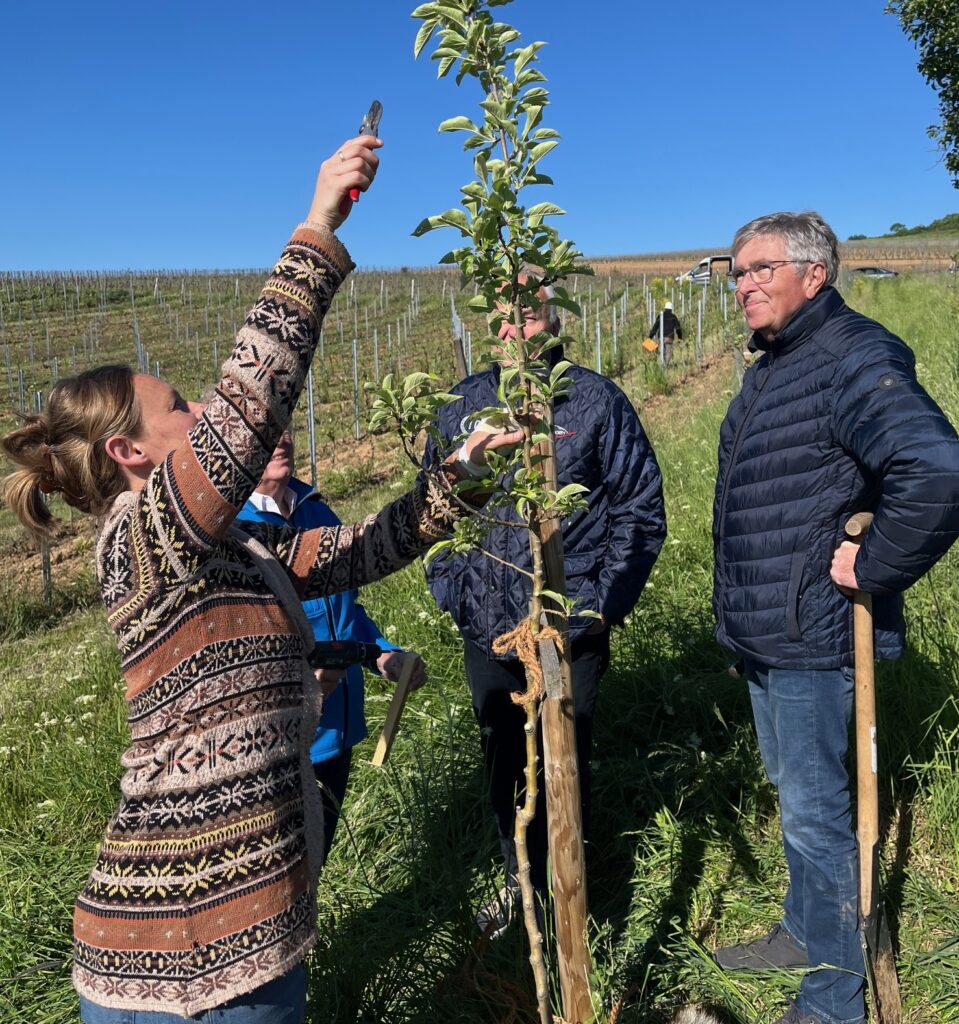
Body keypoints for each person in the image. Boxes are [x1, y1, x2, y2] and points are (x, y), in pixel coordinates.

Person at [0, 136, 521, 1024]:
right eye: (178, 409)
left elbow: (355, 551)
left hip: (225, 935)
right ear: (130, 454)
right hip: (189, 956)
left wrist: (454, 482)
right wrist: (317, 225)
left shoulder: (228, 549)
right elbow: (248, 408)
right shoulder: (144, 537)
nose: (200, 411)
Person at [712, 211, 959, 1024]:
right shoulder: (778, 361)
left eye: (758, 269)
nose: (742, 284)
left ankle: (831, 1000)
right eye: (735, 271)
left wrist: (877, 561)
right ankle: (803, 929)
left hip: (813, 633)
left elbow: (935, 468)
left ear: (813, 274)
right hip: (768, 631)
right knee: (794, 795)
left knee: (819, 816)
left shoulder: (851, 354)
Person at [424, 275, 666, 933]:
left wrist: (598, 610)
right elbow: (432, 511)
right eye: (499, 317)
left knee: (562, 755)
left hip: (565, 629)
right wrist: (458, 597)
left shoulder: (591, 402)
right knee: (503, 755)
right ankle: (518, 884)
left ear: (552, 317)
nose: (512, 330)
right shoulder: (461, 406)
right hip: (488, 630)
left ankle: (569, 889)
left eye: (525, 315)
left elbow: (638, 510)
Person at [235, 428, 425, 863]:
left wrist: (381, 652)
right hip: (284, 741)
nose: (280, 438)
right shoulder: (237, 536)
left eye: (286, 426)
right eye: (267, 430)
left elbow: (345, 613)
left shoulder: (315, 510)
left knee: (314, 864)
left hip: (334, 735)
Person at [648, 300, 683, 367]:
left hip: (661, 338)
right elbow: (678, 328)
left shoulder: (660, 316)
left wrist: (650, 337)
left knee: (662, 353)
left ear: (665, 308)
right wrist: (680, 337)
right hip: (669, 338)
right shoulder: (673, 316)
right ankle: (664, 367)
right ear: (671, 309)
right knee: (668, 354)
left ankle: (662, 367)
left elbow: (655, 327)